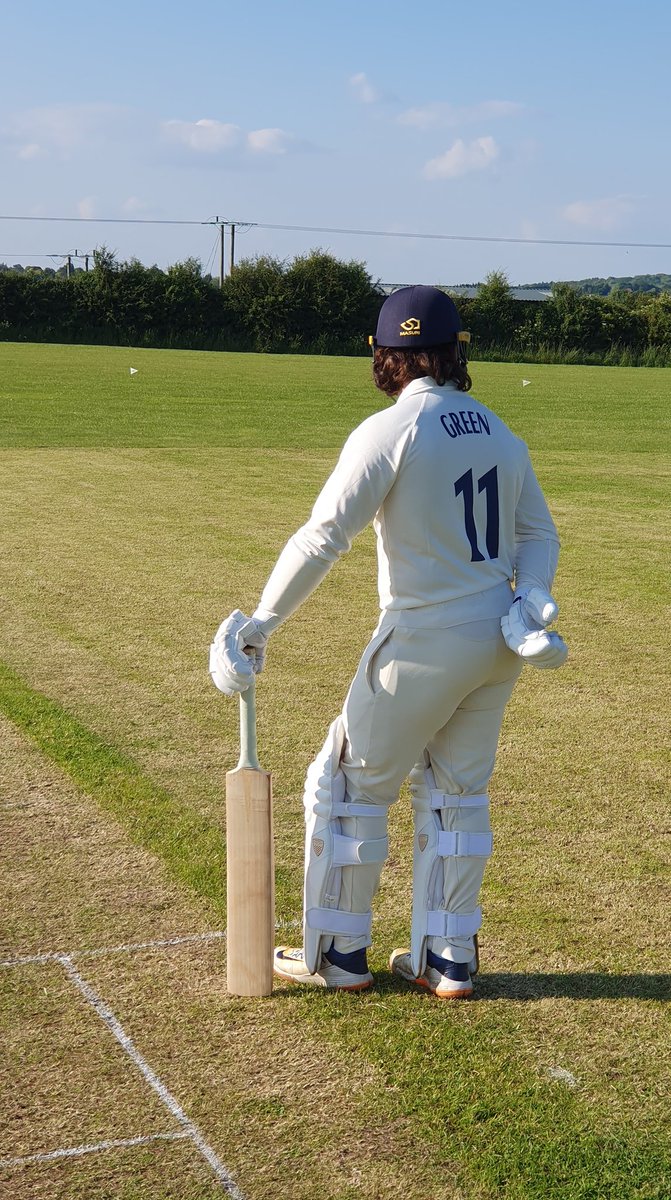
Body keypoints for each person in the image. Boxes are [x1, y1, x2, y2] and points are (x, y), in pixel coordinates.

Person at [210, 285, 566, 999]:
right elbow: (539, 534)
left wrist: (258, 626)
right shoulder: (499, 430)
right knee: (458, 794)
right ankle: (449, 959)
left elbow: (323, 537)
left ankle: (338, 955)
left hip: (423, 640)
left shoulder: (389, 430)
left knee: (347, 785)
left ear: (384, 358)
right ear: (458, 353)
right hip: (495, 643)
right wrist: (529, 597)